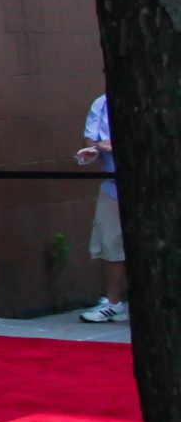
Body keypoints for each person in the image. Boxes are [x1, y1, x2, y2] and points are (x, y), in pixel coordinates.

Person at [79, 93, 124, 322]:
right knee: (109, 243)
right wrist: (95, 149)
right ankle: (114, 302)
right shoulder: (101, 102)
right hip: (112, 186)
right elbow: (91, 141)